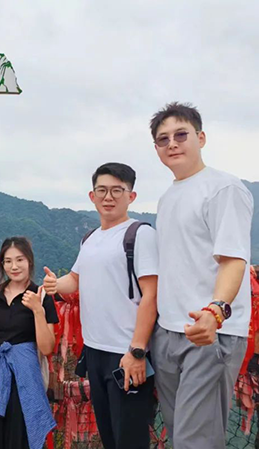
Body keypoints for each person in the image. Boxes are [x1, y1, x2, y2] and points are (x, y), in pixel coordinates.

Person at [149, 102, 254, 449]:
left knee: (196, 442)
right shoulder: (167, 198)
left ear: (201, 138)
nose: (172, 144)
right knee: (180, 434)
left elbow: (233, 260)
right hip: (168, 332)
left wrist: (216, 311)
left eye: (181, 135)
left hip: (210, 332)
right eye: (163, 139)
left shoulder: (224, 188)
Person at [44, 162, 158, 449]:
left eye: (117, 190)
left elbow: (152, 295)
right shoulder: (91, 238)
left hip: (126, 353)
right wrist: (53, 285)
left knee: (129, 439)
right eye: (102, 190)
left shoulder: (140, 234)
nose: (108, 197)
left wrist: (137, 351)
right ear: (92, 196)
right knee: (109, 435)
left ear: (131, 196)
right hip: (94, 351)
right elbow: (75, 278)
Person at [0, 237, 58, 449]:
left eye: (19, 260)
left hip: (24, 377)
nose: (14, 266)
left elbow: (46, 348)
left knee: (19, 434)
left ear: (29, 261)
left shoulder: (42, 296)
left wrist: (37, 310)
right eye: (8, 261)